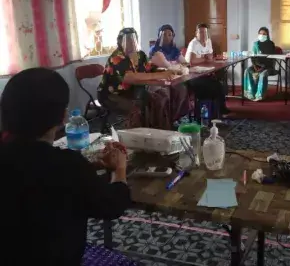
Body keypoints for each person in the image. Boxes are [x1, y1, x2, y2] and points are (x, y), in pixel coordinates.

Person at [0, 68, 131, 265]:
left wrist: (89, 167)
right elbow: (112, 206)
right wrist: (120, 169)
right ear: (63, 116)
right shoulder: (68, 166)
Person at [98, 28, 174, 129]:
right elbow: (130, 77)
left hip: (133, 90)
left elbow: (150, 68)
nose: (131, 43)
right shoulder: (116, 58)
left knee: (158, 100)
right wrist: (159, 77)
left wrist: (169, 72)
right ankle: (137, 136)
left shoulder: (140, 55)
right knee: (136, 109)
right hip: (112, 95)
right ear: (120, 42)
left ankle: (159, 130)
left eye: (133, 39)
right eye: (127, 40)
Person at [185, 23, 229, 115]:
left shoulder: (208, 41)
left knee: (222, 81)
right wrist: (205, 57)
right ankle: (215, 111)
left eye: (205, 32)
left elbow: (210, 57)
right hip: (193, 76)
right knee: (216, 86)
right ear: (196, 33)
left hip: (205, 72)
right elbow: (192, 61)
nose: (203, 34)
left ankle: (219, 109)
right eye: (200, 32)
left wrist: (204, 58)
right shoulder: (194, 43)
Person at [149, 24, 190, 120]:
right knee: (165, 94)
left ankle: (175, 117)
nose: (167, 37)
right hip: (159, 81)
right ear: (159, 36)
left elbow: (185, 64)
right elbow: (167, 66)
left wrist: (178, 67)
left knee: (182, 90)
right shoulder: (154, 50)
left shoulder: (174, 50)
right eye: (163, 35)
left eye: (170, 34)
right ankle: (165, 120)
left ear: (173, 36)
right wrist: (177, 67)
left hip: (174, 80)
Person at [244, 27, 277, 101]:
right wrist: (255, 66)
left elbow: (271, 58)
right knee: (247, 70)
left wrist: (262, 68)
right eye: (260, 33)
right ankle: (250, 93)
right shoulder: (256, 44)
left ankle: (260, 96)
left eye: (264, 34)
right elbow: (253, 57)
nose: (262, 35)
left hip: (268, 67)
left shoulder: (271, 44)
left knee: (263, 74)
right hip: (257, 65)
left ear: (267, 35)